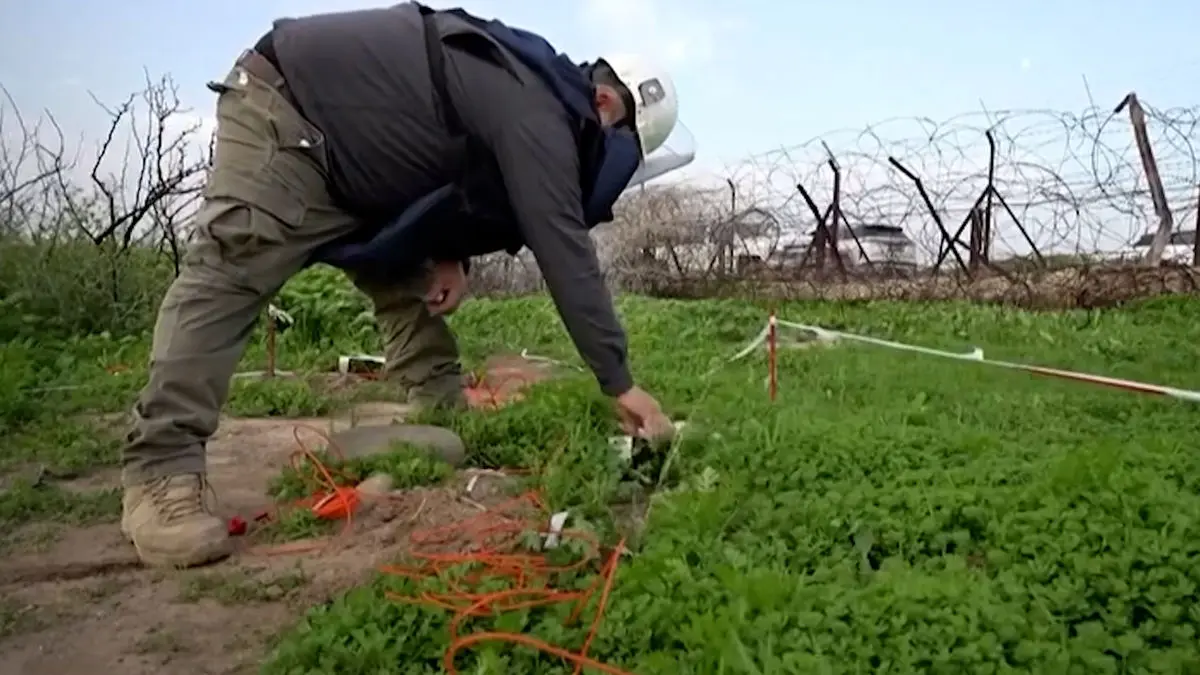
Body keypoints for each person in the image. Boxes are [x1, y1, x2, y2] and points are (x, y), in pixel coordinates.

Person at [119, 2, 682, 568]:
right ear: (605, 103)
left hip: (357, 162)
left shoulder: (526, 87)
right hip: (288, 113)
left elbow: (452, 158)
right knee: (233, 268)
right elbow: (560, 241)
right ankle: (159, 475)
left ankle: (440, 415)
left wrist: (447, 252)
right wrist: (619, 382)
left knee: (402, 269)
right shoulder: (538, 108)